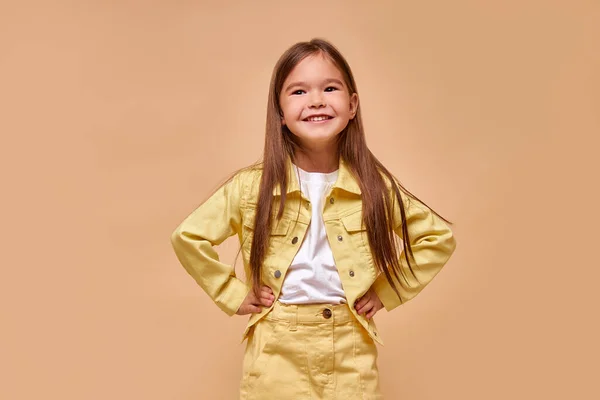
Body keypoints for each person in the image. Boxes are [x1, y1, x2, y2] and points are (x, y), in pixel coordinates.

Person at [170, 38, 457, 400]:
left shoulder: (374, 185)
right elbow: (188, 237)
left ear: (352, 105)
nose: (316, 100)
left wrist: (387, 291)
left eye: (330, 88)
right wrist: (233, 294)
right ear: (279, 111)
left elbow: (437, 238)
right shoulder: (251, 187)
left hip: (349, 343)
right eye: (299, 91)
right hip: (276, 345)